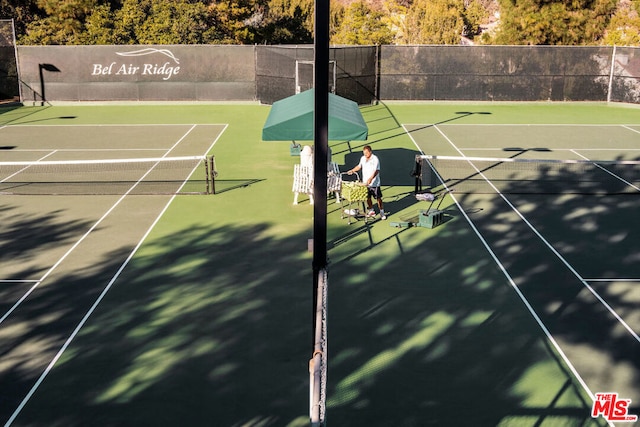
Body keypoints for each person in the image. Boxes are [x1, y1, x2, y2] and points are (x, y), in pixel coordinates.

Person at [347, 145, 386, 220]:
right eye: (364, 153)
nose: (365, 155)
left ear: (370, 152)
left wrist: (371, 178)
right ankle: (371, 211)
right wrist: (352, 170)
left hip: (375, 183)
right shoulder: (363, 158)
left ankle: (382, 212)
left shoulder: (375, 159)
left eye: (366, 153)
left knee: (378, 198)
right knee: (368, 198)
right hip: (365, 183)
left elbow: (377, 170)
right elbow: (359, 166)